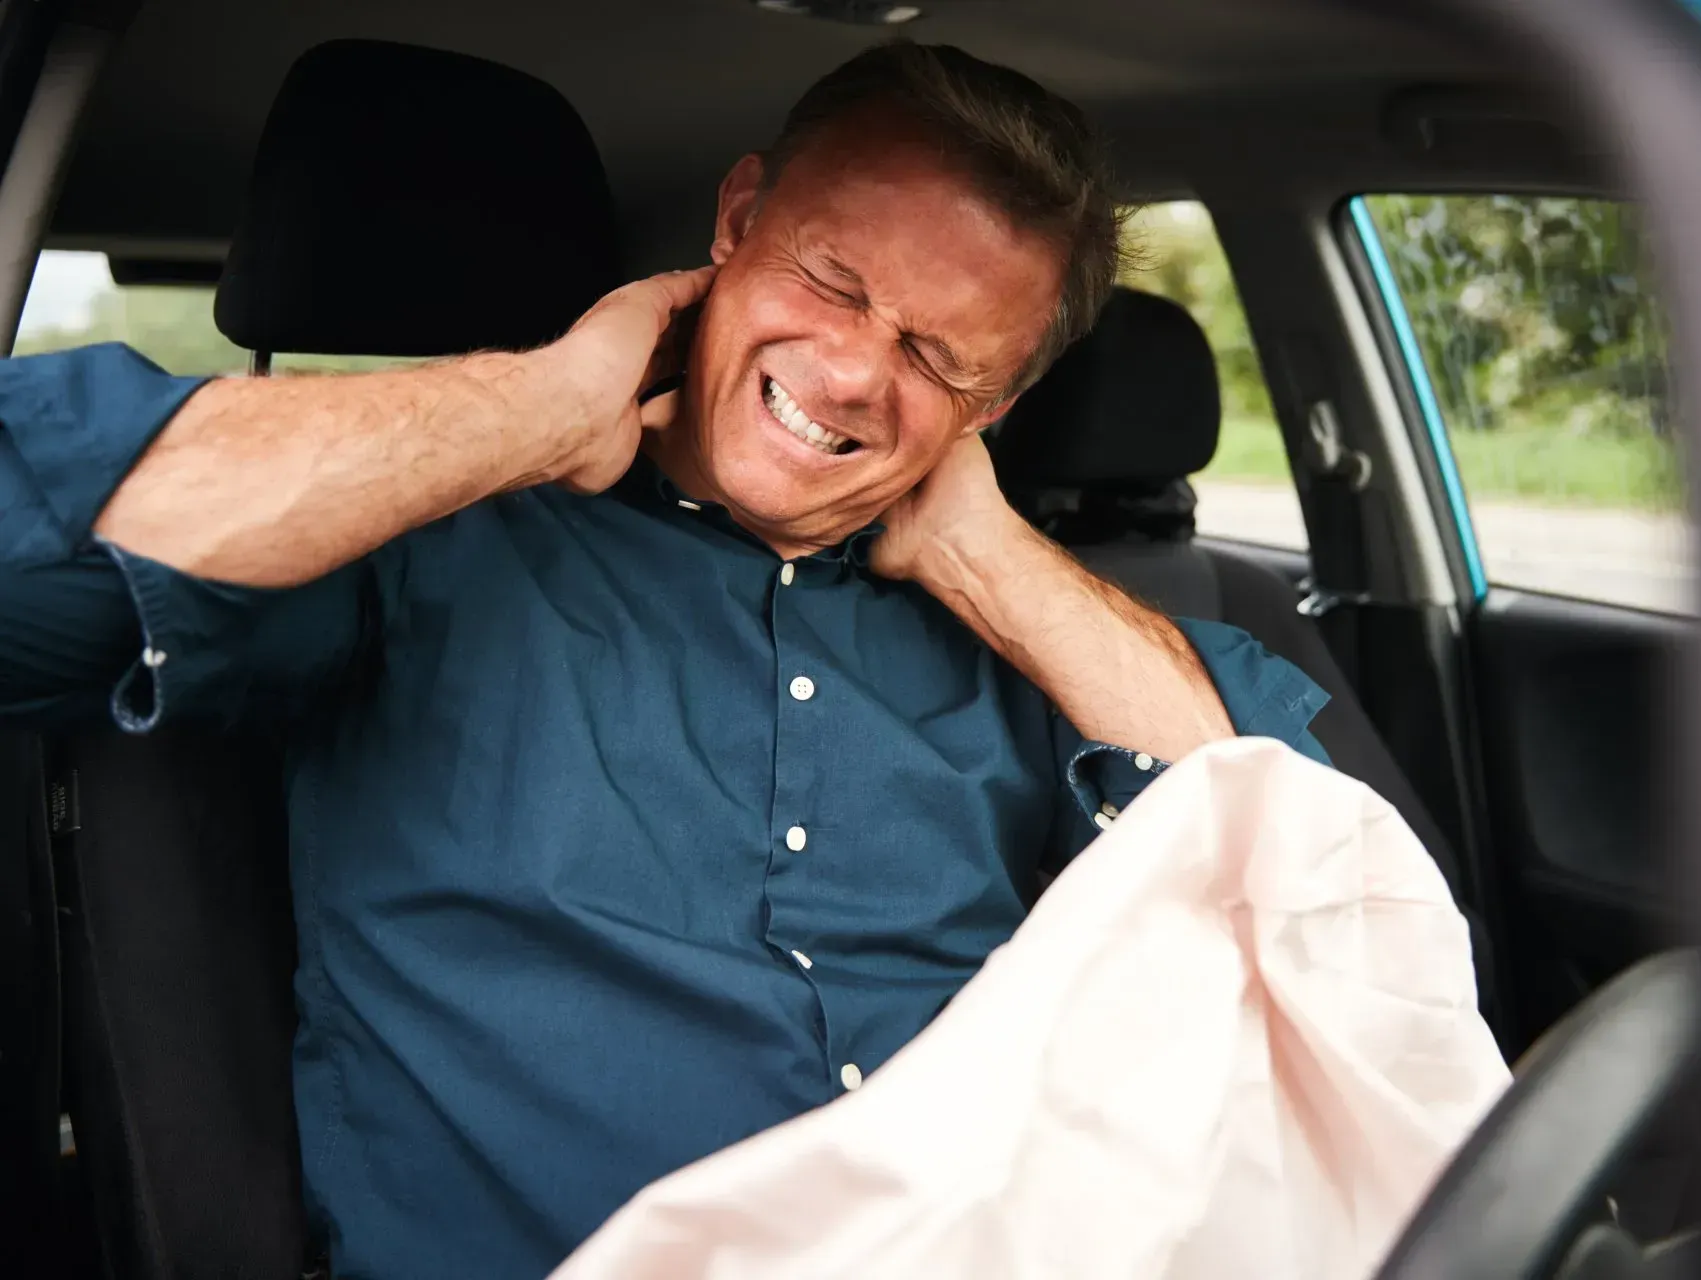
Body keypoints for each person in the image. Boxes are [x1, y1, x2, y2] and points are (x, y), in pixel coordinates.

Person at [0, 42, 1332, 1280]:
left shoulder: (1049, 642)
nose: (856, 372)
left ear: (1000, 406)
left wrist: (986, 550)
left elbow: (1336, 915)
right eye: (832, 281)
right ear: (737, 222)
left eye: (936, 356)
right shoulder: (421, 549)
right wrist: (532, 405)